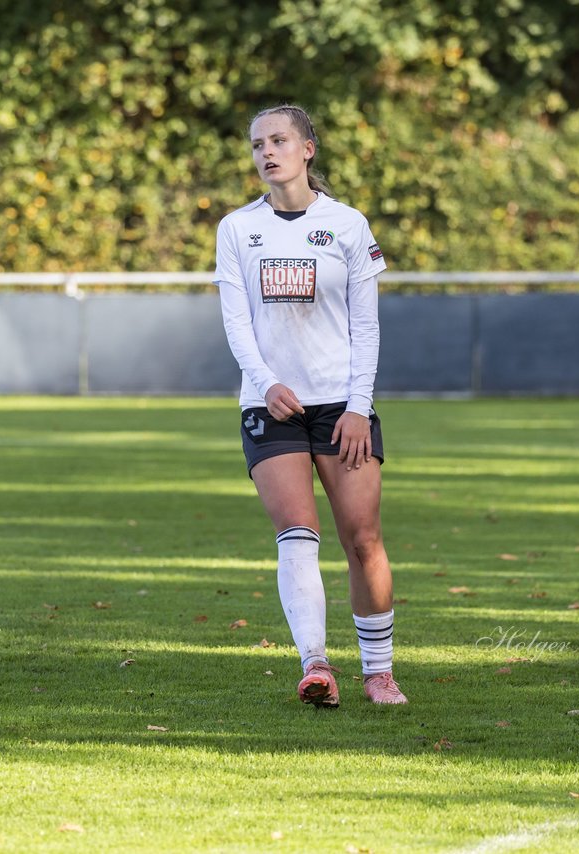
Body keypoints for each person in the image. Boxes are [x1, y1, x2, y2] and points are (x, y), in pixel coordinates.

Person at [212, 105, 407, 707]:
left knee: (363, 539)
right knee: (297, 534)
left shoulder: (347, 224)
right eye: (256, 145)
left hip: (340, 407)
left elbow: (367, 327)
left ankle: (379, 671)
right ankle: (316, 664)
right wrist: (266, 382)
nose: (266, 152)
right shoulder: (237, 229)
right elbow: (235, 322)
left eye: (278, 140)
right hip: (270, 406)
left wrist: (358, 406)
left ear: (308, 149)